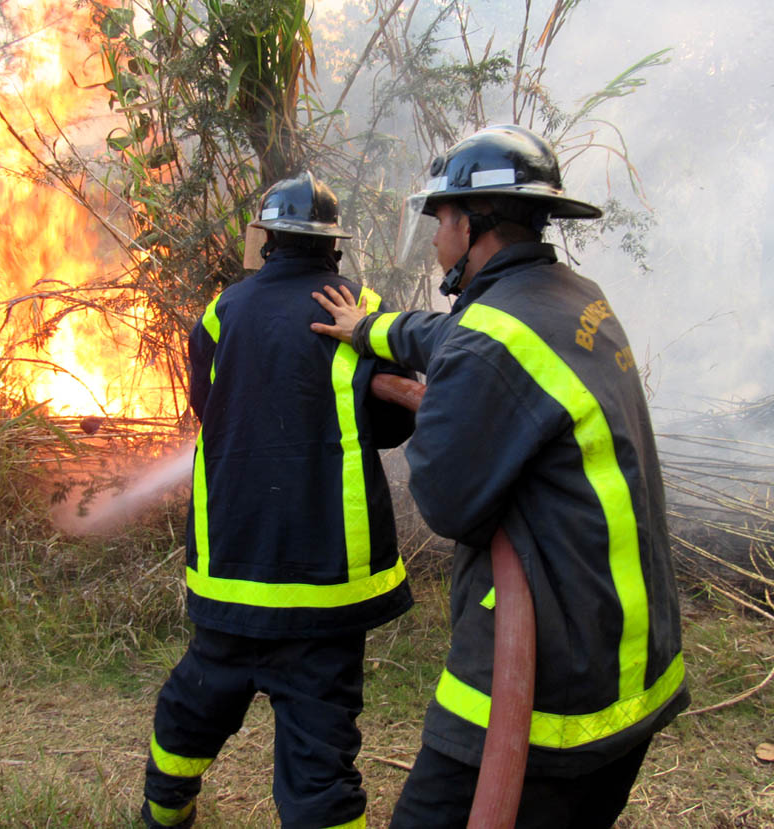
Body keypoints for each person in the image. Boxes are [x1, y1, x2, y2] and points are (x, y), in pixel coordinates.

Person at [311, 125, 689, 828]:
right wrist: (368, 329)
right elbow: (447, 335)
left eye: (440, 218)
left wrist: (436, 402)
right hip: (635, 666)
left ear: (472, 222)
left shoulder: (489, 343)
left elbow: (446, 500)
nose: (433, 237)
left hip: (551, 688)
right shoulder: (573, 299)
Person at [141, 172, 416, 829]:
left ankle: (163, 813)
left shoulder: (221, 312)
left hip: (234, 564)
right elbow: (396, 425)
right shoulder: (363, 305)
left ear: (265, 240)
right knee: (321, 747)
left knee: (193, 705)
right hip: (327, 583)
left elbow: (209, 407)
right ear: (333, 246)